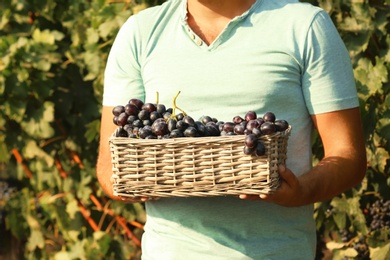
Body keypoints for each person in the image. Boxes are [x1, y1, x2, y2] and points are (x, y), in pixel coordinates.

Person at [97, 0, 367, 259]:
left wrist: (301, 192)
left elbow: (348, 157)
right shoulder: (140, 32)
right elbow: (109, 167)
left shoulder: (305, 25)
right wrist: (130, 183)